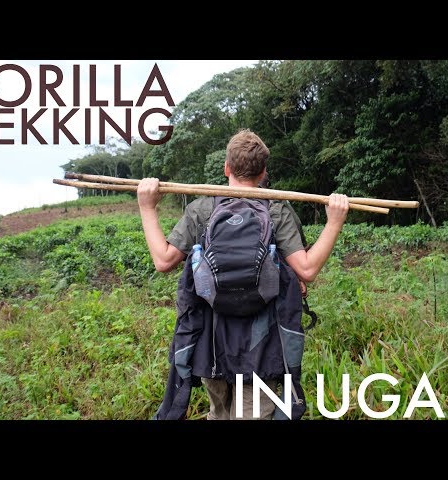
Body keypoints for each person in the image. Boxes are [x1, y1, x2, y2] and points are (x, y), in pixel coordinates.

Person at [137, 129, 349, 420]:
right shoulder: (276, 210)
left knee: (219, 413)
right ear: (263, 172)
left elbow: (163, 260)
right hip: (262, 348)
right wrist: (334, 222)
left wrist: (147, 207)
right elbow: (307, 269)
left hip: (211, 343)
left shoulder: (203, 208)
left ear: (226, 168)